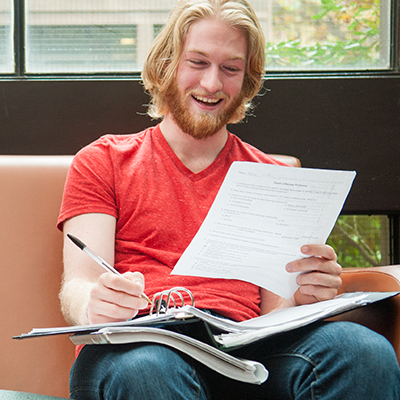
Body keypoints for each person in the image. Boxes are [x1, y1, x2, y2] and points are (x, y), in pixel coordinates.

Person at [58, 0, 400, 399]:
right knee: (150, 369)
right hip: (141, 349)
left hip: (247, 354)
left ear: (247, 79)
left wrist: (304, 297)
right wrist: (94, 305)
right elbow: (78, 283)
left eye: (230, 68)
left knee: (362, 350)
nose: (212, 84)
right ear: (167, 65)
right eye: (197, 62)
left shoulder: (274, 178)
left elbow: (276, 313)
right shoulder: (103, 162)